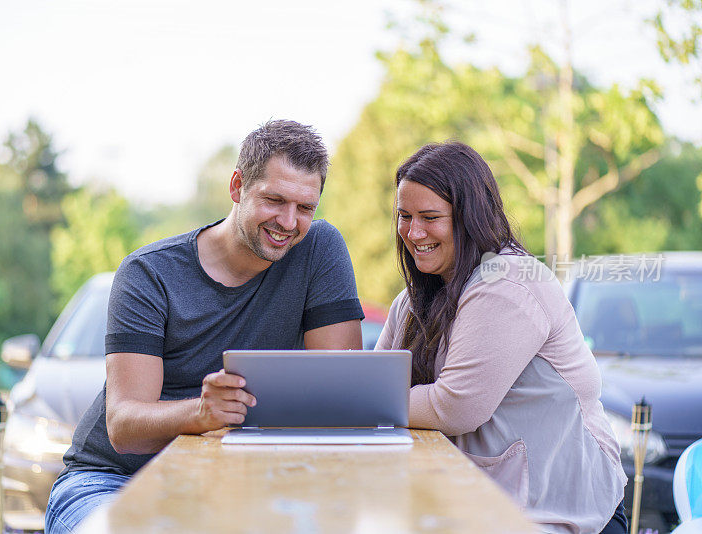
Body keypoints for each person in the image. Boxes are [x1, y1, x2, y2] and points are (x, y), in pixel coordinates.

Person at [44, 120, 364, 533]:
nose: (289, 222)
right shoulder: (150, 274)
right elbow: (123, 427)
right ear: (237, 187)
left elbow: (340, 395)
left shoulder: (318, 250)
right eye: (274, 200)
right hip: (115, 480)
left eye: (305, 208)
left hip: (244, 481)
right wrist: (202, 412)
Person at [375, 141, 628, 534]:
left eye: (430, 216)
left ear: (469, 217)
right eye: (404, 215)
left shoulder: (506, 281)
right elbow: (375, 381)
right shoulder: (411, 302)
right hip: (477, 508)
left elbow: (454, 407)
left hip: (561, 512)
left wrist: (357, 400)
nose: (413, 231)